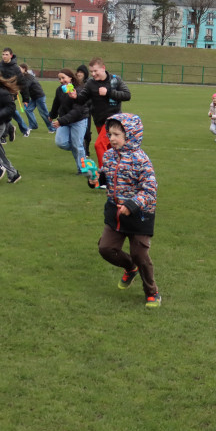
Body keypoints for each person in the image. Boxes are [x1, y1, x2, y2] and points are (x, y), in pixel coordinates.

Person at [87, 113, 161, 307]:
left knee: (139, 254)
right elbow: (106, 176)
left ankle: (152, 291)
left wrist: (131, 205)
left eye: (117, 135)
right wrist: (95, 179)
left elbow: (150, 189)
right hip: (115, 212)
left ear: (130, 136)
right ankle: (130, 268)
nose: (111, 139)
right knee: (105, 248)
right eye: (110, 134)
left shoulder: (141, 160)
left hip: (139, 215)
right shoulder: (109, 155)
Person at [72, 57, 132, 167]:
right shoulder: (90, 83)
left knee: (99, 145)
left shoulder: (115, 80)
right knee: (110, 149)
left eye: (95, 71)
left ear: (103, 68)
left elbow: (127, 95)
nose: (93, 74)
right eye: (91, 71)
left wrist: (109, 92)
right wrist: (75, 97)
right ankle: (117, 170)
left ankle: (104, 173)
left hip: (113, 120)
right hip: (99, 121)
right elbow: (82, 99)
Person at [49, 68, 91, 173]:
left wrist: (61, 121)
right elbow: (56, 103)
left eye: (63, 78)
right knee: (60, 143)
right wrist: (52, 115)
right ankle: (80, 147)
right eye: (59, 79)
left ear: (71, 78)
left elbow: (77, 111)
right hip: (65, 120)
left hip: (79, 120)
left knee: (77, 145)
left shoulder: (79, 90)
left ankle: (82, 169)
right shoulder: (60, 90)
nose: (61, 80)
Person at [0, 48, 29, 137]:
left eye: (6, 54)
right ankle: (13, 129)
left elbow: (22, 83)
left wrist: (25, 99)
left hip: (10, 95)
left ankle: (4, 135)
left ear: (11, 55)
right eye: (3, 54)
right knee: (9, 113)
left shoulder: (15, 68)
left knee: (6, 113)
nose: (4, 56)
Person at [19, 63, 55, 133]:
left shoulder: (28, 77)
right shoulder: (22, 77)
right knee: (28, 109)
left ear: (24, 69)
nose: (18, 70)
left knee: (44, 113)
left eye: (19, 68)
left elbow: (25, 87)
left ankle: (52, 128)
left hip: (39, 96)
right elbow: (23, 89)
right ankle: (33, 125)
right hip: (34, 97)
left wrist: (25, 100)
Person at [75, 64, 93, 156]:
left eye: (81, 72)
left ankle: (87, 149)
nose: (79, 74)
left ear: (85, 74)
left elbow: (91, 97)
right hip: (76, 109)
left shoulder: (89, 83)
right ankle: (79, 147)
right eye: (78, 72)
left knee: (87, 131)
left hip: (87, 110)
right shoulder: (75, 83)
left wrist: (86, 104)